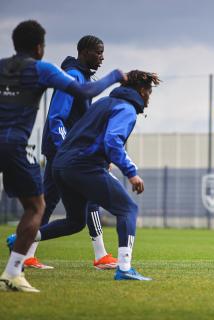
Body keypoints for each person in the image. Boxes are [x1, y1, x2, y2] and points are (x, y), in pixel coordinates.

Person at [0, 20, 124, 292]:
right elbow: (59, 116)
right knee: (43, 206)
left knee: (46, 203)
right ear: (39, 47)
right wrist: (117, 76)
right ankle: (16, 270)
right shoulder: (55, 71)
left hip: (50, 151)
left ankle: (26, 255)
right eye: (98, 52)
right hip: (46, 150)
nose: (102, 57)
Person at [18, 70, 159, 281]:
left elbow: (83, 134)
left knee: (75, 221)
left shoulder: (103, 103)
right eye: (149, 91)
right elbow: (113, 141)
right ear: (141, 90)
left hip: (61, 165)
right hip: (83, 166)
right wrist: (132, 173)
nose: (150, 96)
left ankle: (22, 238)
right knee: (127, 208)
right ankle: (124, 268)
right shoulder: (126, 109)